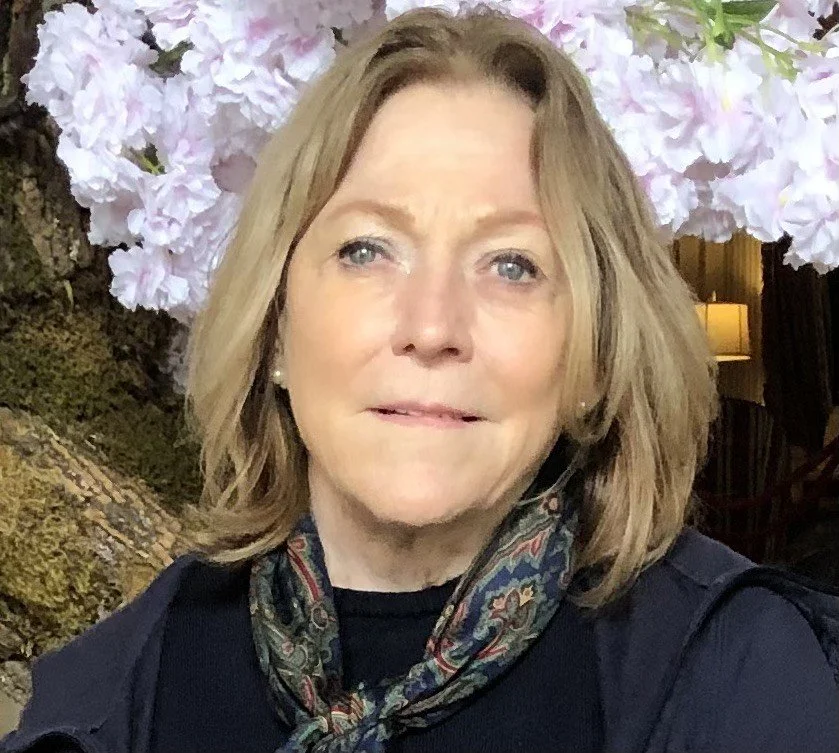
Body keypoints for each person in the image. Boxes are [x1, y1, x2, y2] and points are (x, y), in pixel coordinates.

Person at [2, 6, 838, 753]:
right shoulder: (116, 690)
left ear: (589, 359)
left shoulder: (735, 673)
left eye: (511, 265)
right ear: (277, 329)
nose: (432, 326)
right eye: (366, 250)